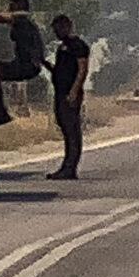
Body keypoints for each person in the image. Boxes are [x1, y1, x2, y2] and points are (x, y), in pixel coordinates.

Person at [0, 0, 47, 127]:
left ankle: (0, 111)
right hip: (27, 64)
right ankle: (0, 110)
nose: (10, 6)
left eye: (13, 4)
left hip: (27, 65)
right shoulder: (24, 21)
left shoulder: (21, 19)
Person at [46, 13, 90, 180]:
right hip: (60, 92)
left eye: (58, 28)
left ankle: (70, 168)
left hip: (70, 94)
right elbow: (59, 70)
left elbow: (82, 69)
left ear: (67, 27)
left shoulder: (78, 45)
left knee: (72, 131)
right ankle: (66, 166)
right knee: (64, 128)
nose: (56, 32)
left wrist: (74, 91)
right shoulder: (62, 46)